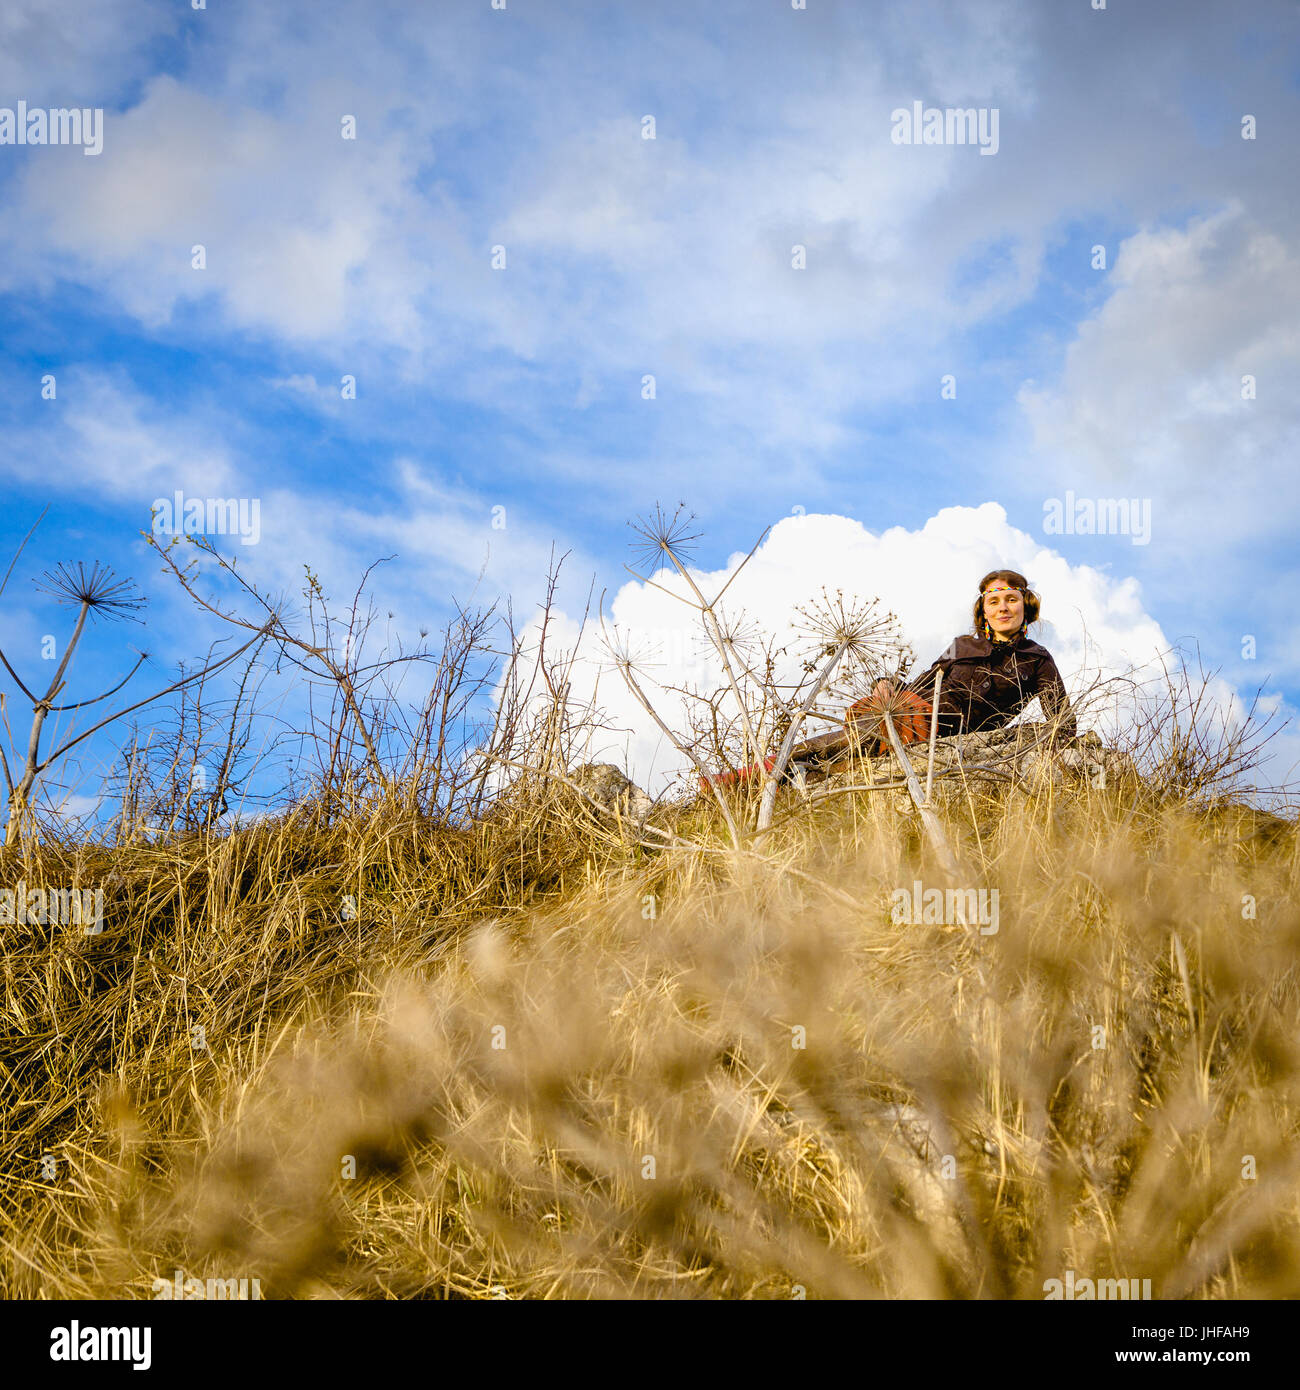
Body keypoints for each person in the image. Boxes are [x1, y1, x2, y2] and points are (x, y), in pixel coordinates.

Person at [792, 568, 1077, 768]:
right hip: (912, 712)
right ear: (985, 612)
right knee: (842, 744)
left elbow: (1063, 722)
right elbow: (923, 683)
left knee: (851, 748)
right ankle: (768, 772)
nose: (1003, 608)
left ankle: (786, 768)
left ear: (1025, 606)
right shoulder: (961, 645)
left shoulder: (1037, 658)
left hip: (950, 735)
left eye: (1011, 600)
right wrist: (885, 683)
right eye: (994, 601)